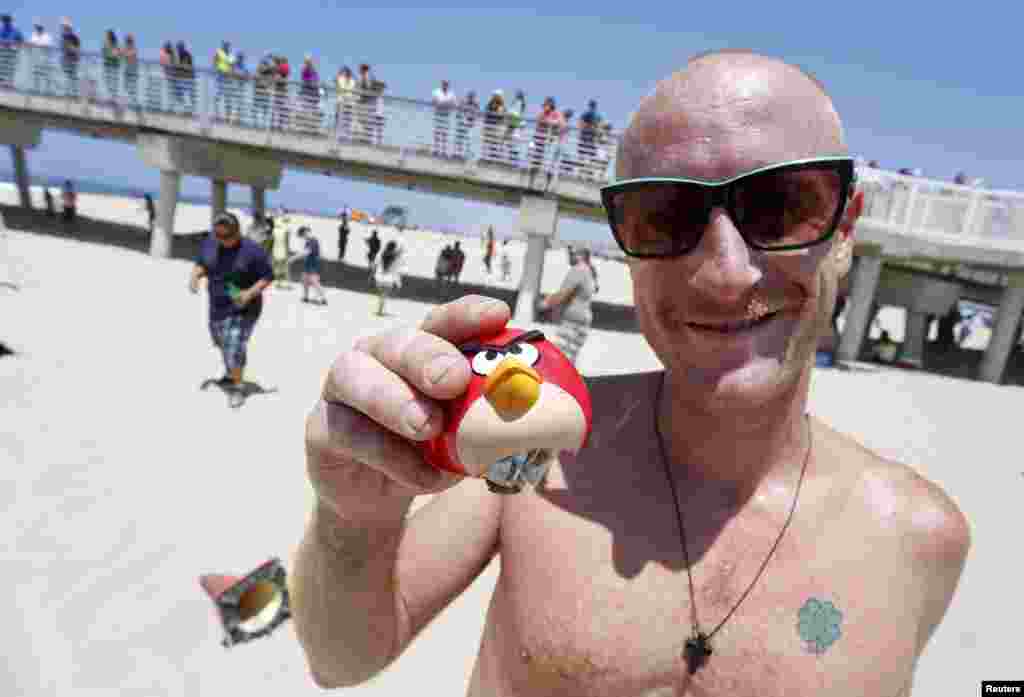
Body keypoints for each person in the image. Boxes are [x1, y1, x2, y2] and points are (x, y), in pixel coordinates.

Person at [290, 51, 971, 695]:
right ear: (626, 246)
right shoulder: (536, 452)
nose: (727, 274)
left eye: (782, 206)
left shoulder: (920, 539)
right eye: (666, 216)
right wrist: (353, 520)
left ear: (846, 227)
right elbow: (343, 653)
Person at [189, 211, 273, 408]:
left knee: (233, 345)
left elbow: (268, 276)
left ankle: (237, 387)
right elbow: (202, 264)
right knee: (222, 343)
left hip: (244, 308)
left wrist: (249, 293)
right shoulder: (211, 242)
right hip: (217, 306)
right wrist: (195, 277)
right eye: (218, 236)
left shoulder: (252, 251)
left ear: (237, 232)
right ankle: (229, 375)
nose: (221, 240)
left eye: (226, 237)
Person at [538, 246, 597, 365]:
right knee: (569, 362)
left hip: (573, 322)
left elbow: (563, 294)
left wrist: (544, 304)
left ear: (580, 255)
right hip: (582, 321)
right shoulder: (589, 271)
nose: (568, 256)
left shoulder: (578, 270)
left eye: (571, 253)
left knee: (559, 360)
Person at [292, 226, 328, 305]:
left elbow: (306, 252)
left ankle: (323, 299)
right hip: (308, 264)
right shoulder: (309, 241)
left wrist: (294, 258)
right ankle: (306, 297)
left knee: (315, 282)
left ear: (305, 232)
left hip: (312, 265)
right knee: (304, 280)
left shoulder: (313, 241)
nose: (302, 238)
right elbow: (308, 253)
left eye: (302, 236)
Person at [372, 240, 403, 316]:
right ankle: (380, 310)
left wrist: (372, 275)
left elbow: (375, 265)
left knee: (381, 295)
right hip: (388, 279)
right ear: (394, 248)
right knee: (384, 295)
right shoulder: (395, 257)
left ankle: (380, 309)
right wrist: (398, 283)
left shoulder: (380, 254)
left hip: (379, 278)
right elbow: (396, 270)